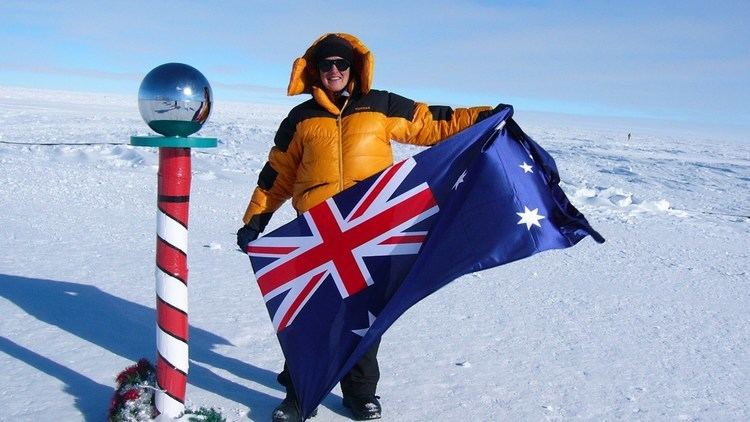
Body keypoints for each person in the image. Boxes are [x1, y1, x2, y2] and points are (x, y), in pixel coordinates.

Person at [237, 33, 503, 422]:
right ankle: (299, 393)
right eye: (326, 65)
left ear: (353, 69)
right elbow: (277, 172)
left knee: (363, 314)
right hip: (316, 229)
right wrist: (256, 220)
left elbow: (432, 123)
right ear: (315, 70)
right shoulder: (301, 118)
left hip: (369, 228)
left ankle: (360, 394)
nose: (333, 71)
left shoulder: (379, 105)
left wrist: (484, 117)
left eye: (341, 64)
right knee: (309, 311)